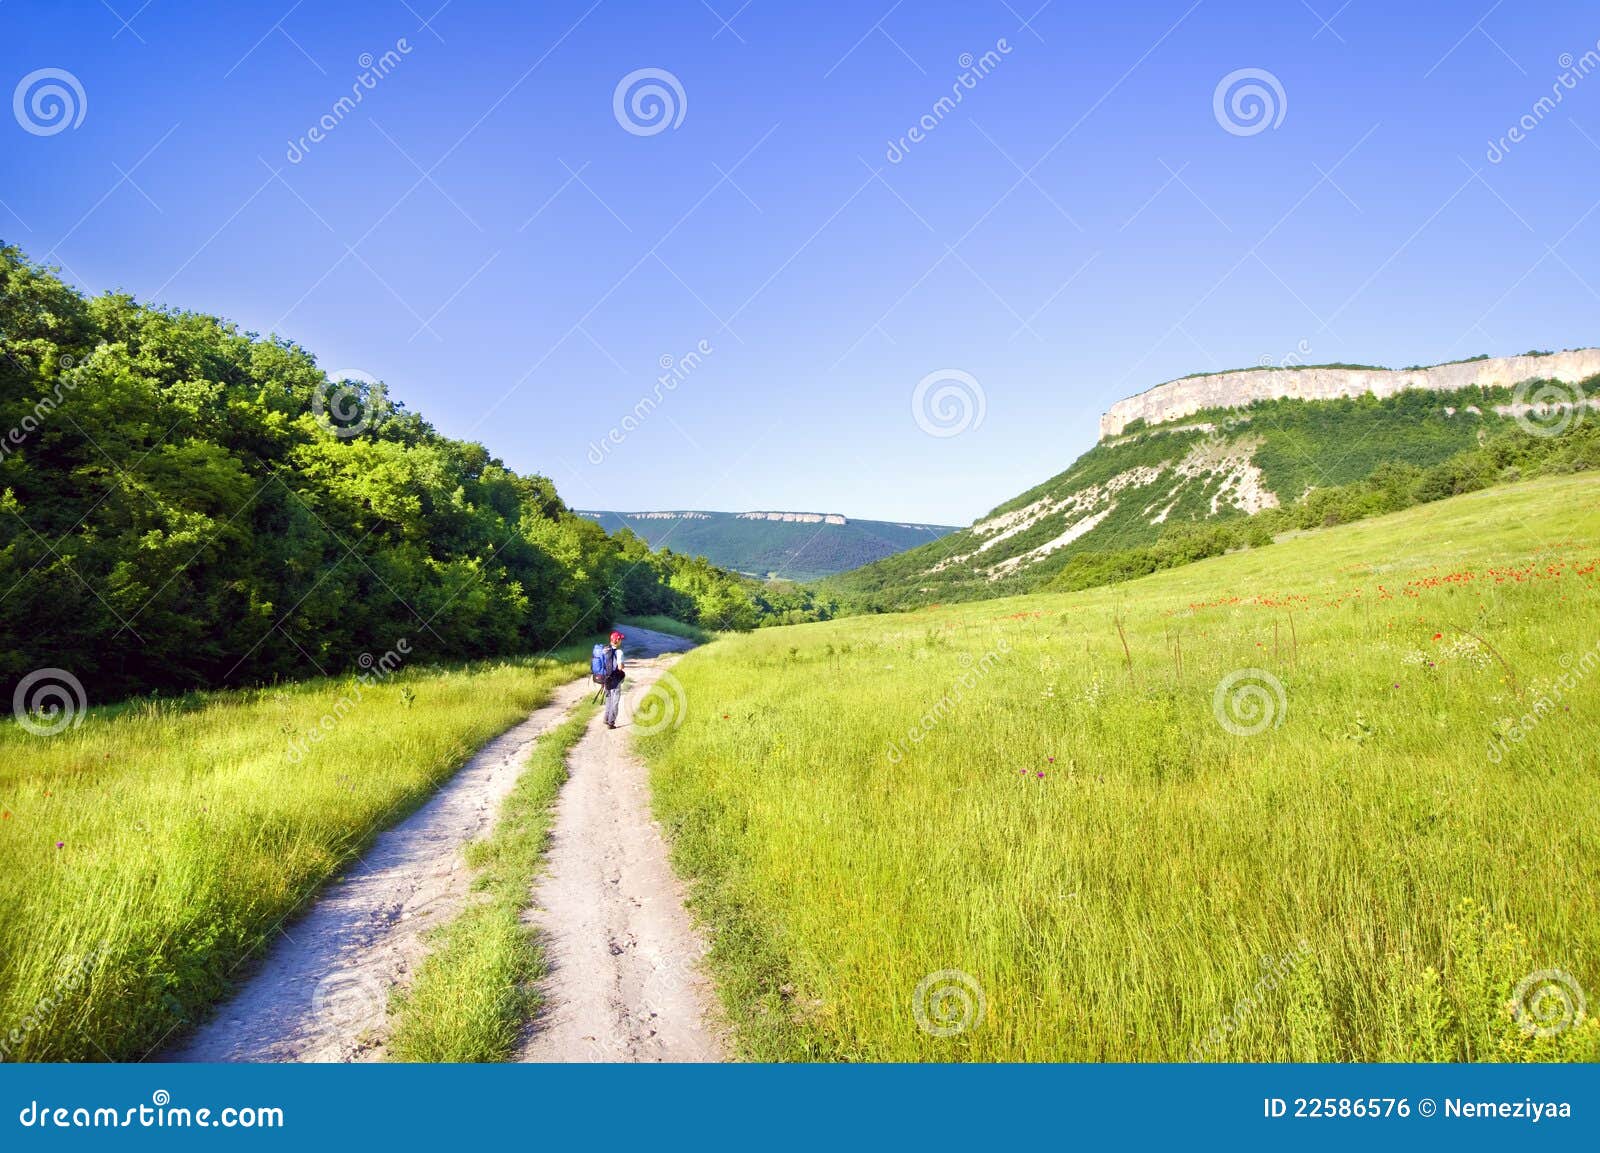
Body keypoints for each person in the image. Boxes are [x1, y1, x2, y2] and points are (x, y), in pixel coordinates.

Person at [603, 630, 626, 729]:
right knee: (615, 701)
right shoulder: (619, 652)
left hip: (606, 679)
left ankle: (606, 718)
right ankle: (611, 723)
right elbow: (620, 667)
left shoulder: (605, 650)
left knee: (608, 699)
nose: (621, 641)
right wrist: (623, 665)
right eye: (620, 639)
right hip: (615, 680)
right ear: (617, 640)